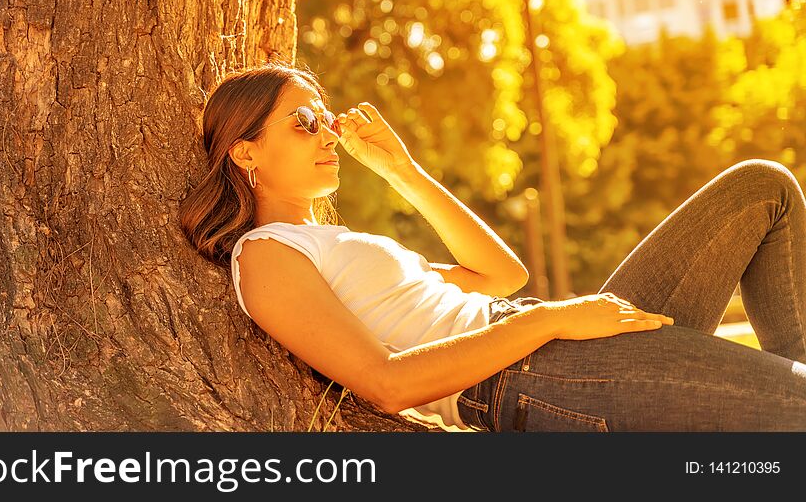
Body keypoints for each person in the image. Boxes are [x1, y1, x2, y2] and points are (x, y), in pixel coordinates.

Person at [178, 62, 806, 431]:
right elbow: (388, 384)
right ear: (246, 150)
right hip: (531, 375)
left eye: (325, 115)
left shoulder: (334, 240)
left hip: (544, 336)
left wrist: (402, 170)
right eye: (303, 122)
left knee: (762, 190)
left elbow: (501, 275)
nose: (328, 132)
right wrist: (552, 319)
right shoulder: (264, 254)